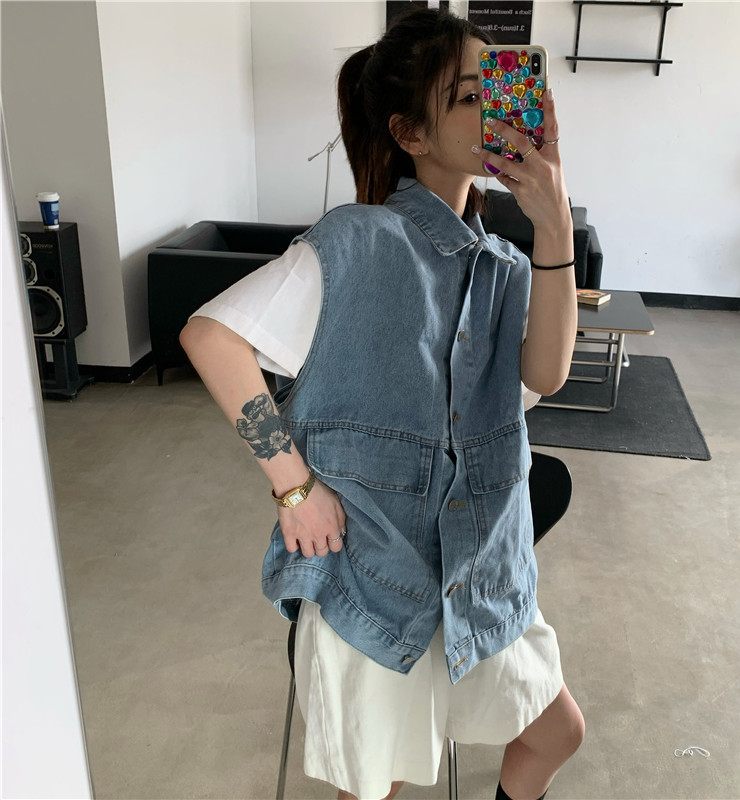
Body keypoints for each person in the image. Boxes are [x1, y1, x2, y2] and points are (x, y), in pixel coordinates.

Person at [180, 8, 584, 800]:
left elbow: (549, 372)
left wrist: (554, 222)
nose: (495, 110)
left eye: (498, 89)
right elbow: (211, 337)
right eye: (469, 96)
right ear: (410, 133)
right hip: (374, 578)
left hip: (484, 574)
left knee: (555, 731)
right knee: (378, 784)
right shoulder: (357, 242)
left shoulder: (506, 266)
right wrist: (293, 486)